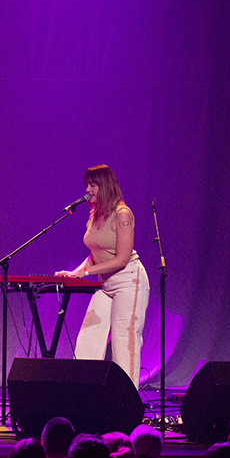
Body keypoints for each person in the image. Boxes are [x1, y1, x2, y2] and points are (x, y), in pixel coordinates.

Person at [56, 165, 150, 386]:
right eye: (87, 185)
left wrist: (86, 272)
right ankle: (85, 393)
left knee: (124, 343)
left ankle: (126, 400)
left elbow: (121, 258)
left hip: (129, 282)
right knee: (88, 338)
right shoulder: (94, 214)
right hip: (106, 285)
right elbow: (95, 253)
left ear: (105, 185)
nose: (88, 190)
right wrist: (76, 273)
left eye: (93, 185)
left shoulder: (123, 214)